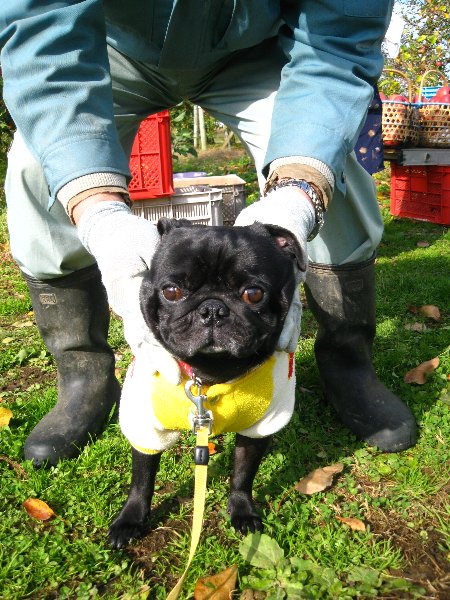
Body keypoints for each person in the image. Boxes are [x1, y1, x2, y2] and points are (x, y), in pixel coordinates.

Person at [1, 1, 417, 467]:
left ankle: (348, 362)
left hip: (260, 52)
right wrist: (100, 217)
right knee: (35, 169)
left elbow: (336, 42)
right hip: (109, 52)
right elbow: (42, 35)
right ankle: (83, 375)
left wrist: (299, 194)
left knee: (343, 179)